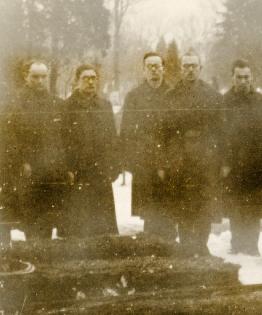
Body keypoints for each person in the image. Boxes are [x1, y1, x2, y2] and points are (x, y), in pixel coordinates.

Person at [162, 52, 224, 256]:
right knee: (182, 203)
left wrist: (223, 160)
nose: (190, 70)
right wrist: (164, 161)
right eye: (186, 66)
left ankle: (201, 244)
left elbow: (221, 130)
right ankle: (186, 244)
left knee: (204, 204)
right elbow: (163, 132)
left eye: (194, 66)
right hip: (179, 159)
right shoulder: (170, 96)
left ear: (200, 68)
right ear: (181, 68)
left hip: (206, 160)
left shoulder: (212, 95)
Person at [1, 61, 65, 241]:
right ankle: (33, 250)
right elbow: (9, 136)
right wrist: (21, 161)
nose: (40, 81)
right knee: (29, 213)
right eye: (35, 76)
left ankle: (44, 250)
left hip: (50, 167)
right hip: (26, 168)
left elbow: (61, 135)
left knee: (48, 213)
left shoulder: (55, 102)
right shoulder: (14, 103)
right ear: (26, 76)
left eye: (43, 76)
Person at [60, 64, 119, 237]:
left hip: (100, 169)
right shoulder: (67, 106)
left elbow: (112, 138)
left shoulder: (104, 105)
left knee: (102, 220)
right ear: (77, 81)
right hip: (77, 170)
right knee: (78, 218)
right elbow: (62, 139)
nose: (90, 82)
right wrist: (67, 168)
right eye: (85, 78)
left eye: (93, 78)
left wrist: (114, 166)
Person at [121, 52, 175, 241]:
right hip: (144, 158)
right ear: (144, 69)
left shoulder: (173, 93)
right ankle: (152, 242)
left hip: (169, 156)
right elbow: (127, 130)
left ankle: (168, 243)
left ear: (163, 68)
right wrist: (130, 160)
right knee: (149, 206)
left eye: (157, 65)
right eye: (150, 66)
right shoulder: (134, 96)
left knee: (169, 204)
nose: (154, 69)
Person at [220, 59, 262, 256]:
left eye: (247, 77)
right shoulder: (224, 102)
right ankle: (237, 243)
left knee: (253, 207)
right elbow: (220, 134)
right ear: (233, 77)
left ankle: (252, 245)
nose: (243, 81)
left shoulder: (261, 101)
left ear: (252, 77)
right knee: (235, 206)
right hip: (232, 163)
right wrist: (224, 162)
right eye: (239, 77)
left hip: (254, 161)